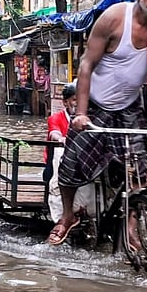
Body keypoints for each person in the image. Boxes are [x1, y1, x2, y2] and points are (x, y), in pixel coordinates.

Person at [48, 0, 147, 246]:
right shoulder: (115, 19)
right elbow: (86, 65)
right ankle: (67, 217)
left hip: (129, 107)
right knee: (70, 165)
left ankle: (131, 224)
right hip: (95, 104)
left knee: (140, 171)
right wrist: (80, 113)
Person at [45, 83, 95, 222]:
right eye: (74, 99)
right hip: (57, 163)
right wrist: (61, 138)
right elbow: (54, 133)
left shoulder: (88, 120)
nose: (78, 103)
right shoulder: (56, 118)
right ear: (65, 102)